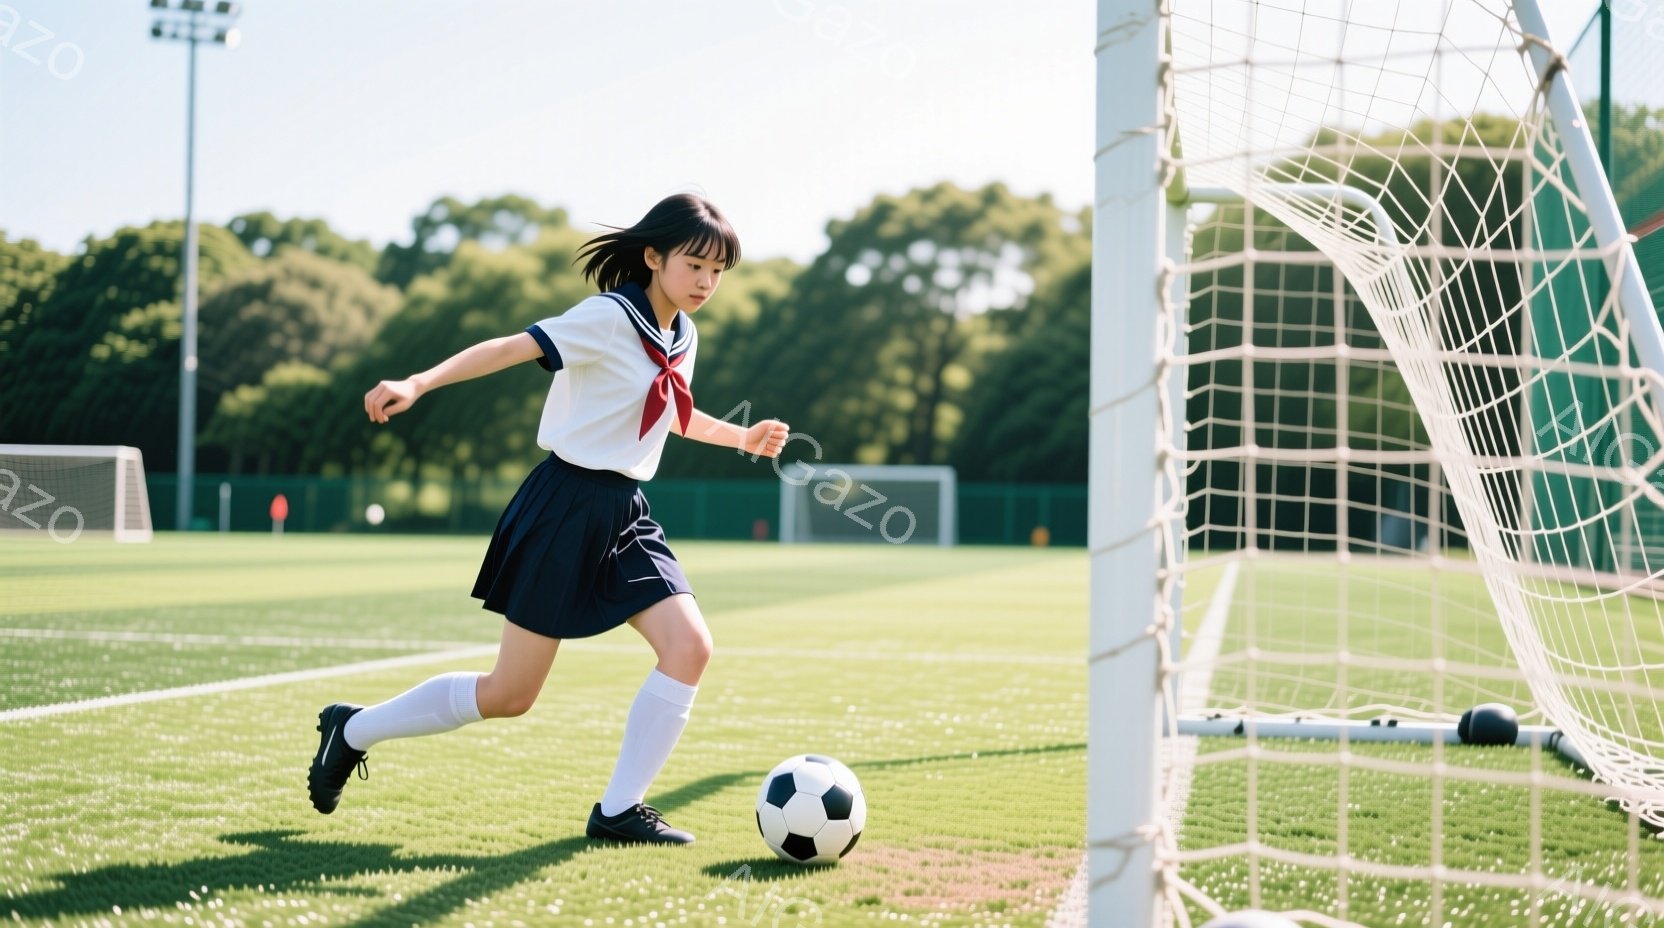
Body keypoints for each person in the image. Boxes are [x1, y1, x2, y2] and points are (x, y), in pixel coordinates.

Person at [307, 193, 789, 845]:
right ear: (653, 257)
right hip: (564, 505)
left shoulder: (683, 332)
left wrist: (741, 437)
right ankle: (353, 728)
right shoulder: (607, 318)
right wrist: (418, 382)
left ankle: (619, 809)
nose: (706, 282)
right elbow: (511, 347)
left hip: (627, 511)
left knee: (690, 647)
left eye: (717, 270)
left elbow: (670, 409)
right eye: (694, 264)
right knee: (510, 694)